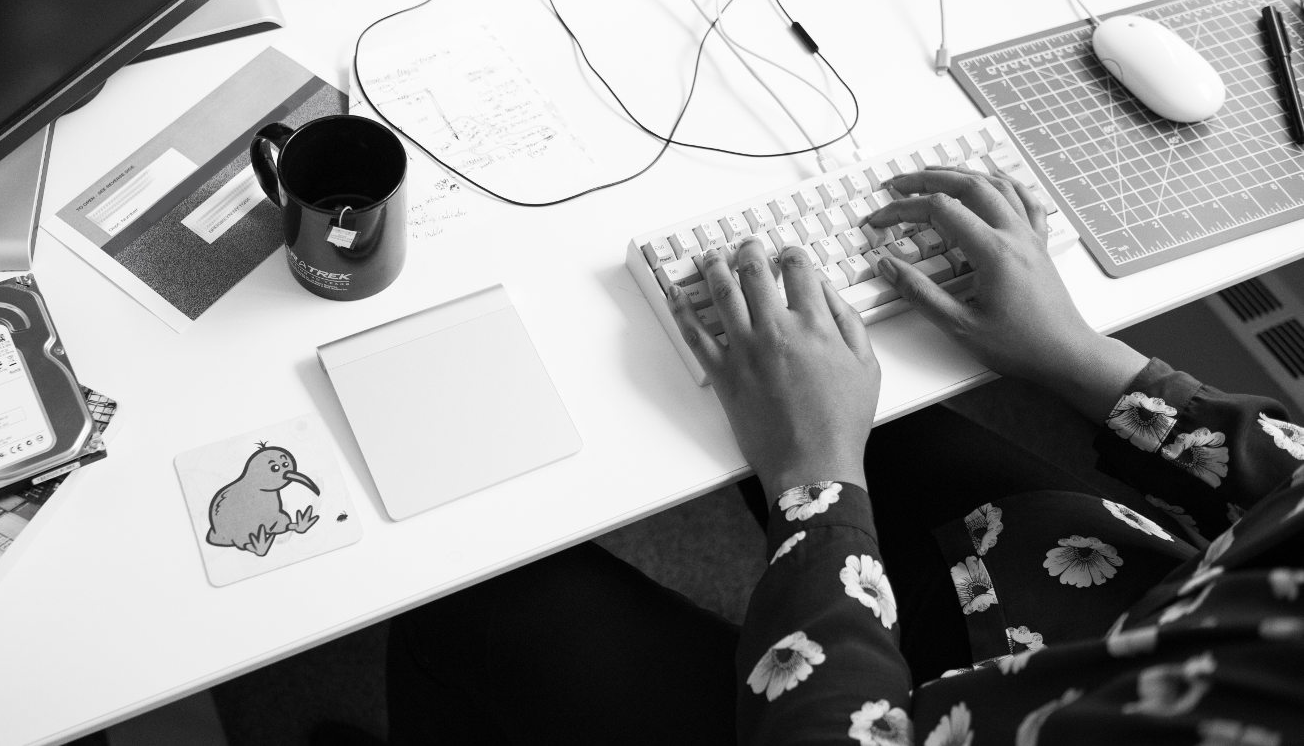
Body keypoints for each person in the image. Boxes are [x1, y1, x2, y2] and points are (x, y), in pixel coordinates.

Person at [386, 166, 1304, 745]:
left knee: (477, 603)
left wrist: (817, 483)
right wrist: (1079, 355)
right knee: (844, 395)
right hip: (1120, 602)